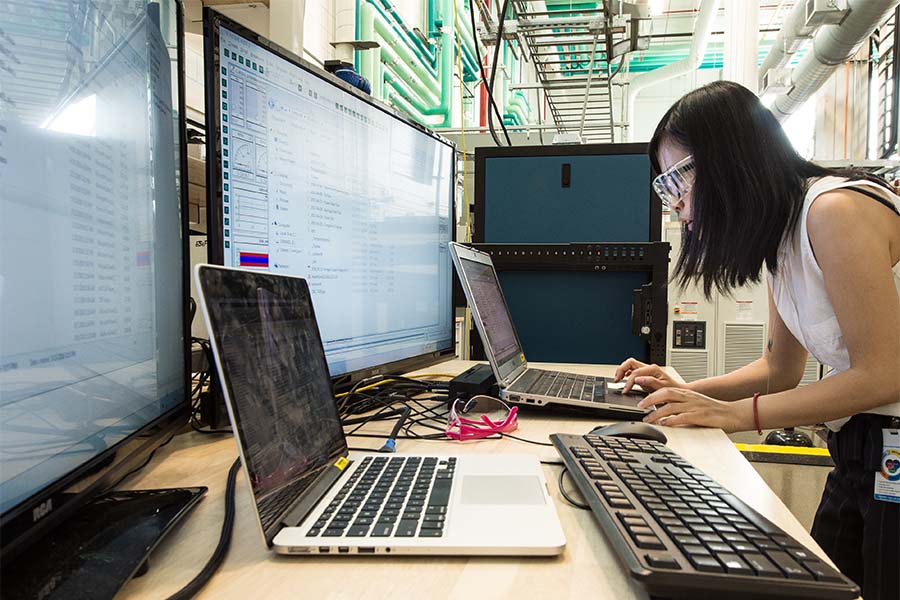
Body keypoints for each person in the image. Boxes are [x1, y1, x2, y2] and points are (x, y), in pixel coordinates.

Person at [612, 81, 900, 600]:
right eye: (665, 187)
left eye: (677, 180)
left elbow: (883, 373)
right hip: (860, 444)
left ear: (726, 159)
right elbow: (778, 368)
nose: (674, 204)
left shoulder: (833, 212)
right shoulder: (784, 237)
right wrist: (689, 392)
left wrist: (737, 416)